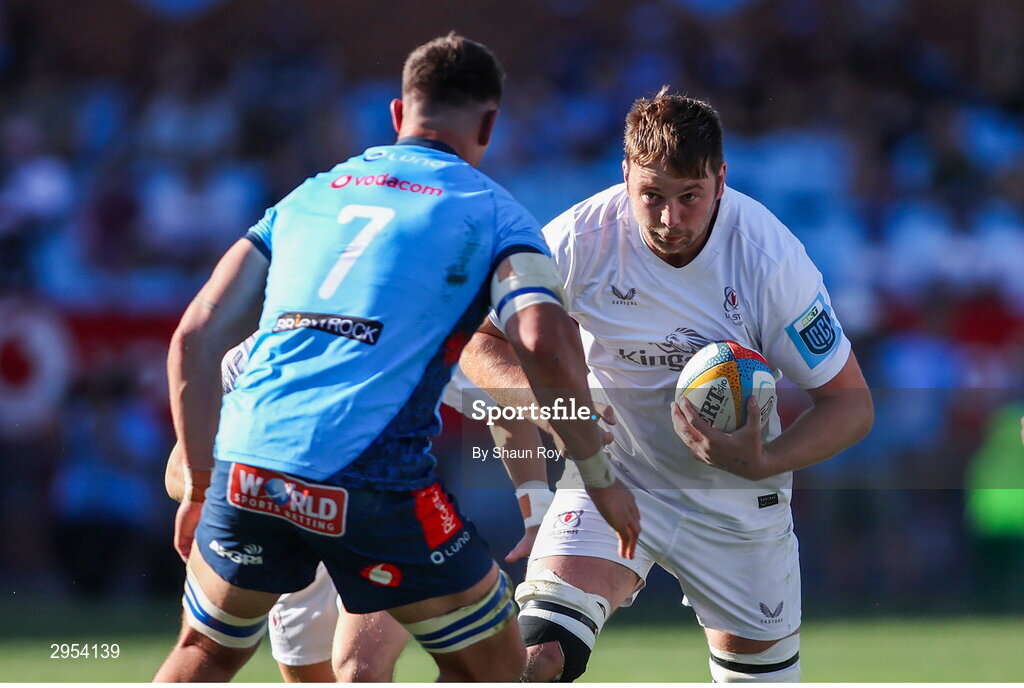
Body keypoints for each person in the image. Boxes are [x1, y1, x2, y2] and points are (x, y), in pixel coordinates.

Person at [153, 33, 638, 683]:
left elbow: (192, 336)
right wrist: (598, 477)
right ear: (490, 124)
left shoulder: (306, 198)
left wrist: (204, 486)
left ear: (395, 114)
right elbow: (543, 342)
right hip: (372, 477)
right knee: (490, 663)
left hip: (250, 466)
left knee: (206, 654)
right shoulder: (492, 216)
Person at [460, 87, 874, 683]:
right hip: (615, 474)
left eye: (690, 197)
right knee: (537, 658)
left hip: (735, 500)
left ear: (721, 179)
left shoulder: (769, 260)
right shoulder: (579, 239)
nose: (668, 219)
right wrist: (546, 407)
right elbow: (480, 339)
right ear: (624, 173)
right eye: (651, 195)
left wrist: (765, 460)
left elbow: (851, 406)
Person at [164, 337, 561, 682]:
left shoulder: (416, 330)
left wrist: (536, 508)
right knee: (275, 668)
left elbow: (500, 402)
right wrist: (253, 494)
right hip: (290, 537)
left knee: (361, 670)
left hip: (378, 520)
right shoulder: (257, 354)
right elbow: (177, 472)